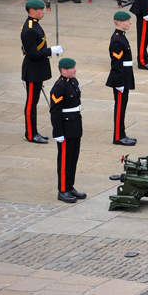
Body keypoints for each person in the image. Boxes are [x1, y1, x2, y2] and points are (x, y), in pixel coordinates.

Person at [21, 0, 64, 143]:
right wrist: (50, 50)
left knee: (34, 101)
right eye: (41, 10)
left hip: (37, 69)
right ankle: (30, 133)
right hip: (32, 71)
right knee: (31, 103)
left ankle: (33, 131)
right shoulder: (30, 29)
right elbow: (32, 53)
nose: (43, 12)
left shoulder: (35, 25)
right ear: (32, 11)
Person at [50, 57, 84, 203]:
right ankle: (63, 190)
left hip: (75, 125)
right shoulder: (59, 87)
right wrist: (57, 132)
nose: (75, 70)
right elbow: (55, 112)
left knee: (73, 158)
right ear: (64, 70)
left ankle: (70, 186)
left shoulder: (73, 82)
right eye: (72, 68)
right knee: (64, 160)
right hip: (65, 127)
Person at [106, 11, 137, 146]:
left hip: (125, 75)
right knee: (120, 108)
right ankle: (118, 136)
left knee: (122, 107)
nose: (130, 23)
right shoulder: (118, 40)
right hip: (121, 77)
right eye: (127, 21)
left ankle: (122, 134)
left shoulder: (121, 37)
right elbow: (116, 63)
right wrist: (119, 82)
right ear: (119, 23)